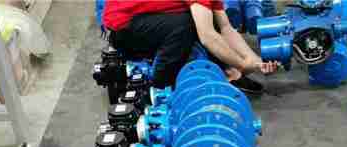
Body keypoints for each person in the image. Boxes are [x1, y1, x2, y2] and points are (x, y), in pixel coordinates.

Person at [103, 0, 278, 92]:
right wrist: (242, 64)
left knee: (205, 17)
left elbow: (226, 28)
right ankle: (159, 85)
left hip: (146, 16)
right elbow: (208, 37)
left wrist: (256, 61)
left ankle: (230, 74)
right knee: (186, 24)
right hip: (123, 29)